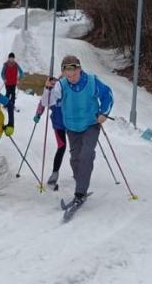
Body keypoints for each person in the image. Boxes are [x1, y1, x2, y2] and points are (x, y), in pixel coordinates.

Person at [44, 54, 114, 208]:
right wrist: (47, 88)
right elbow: (47, 102)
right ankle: (81, 181)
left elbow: (107, 95)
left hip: (91, 124)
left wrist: (104, 113)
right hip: (71, 127)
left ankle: (80, 192)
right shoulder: (61, 85)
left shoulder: (92, 81)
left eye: (74, 74)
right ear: (63, 73)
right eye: (68, 75)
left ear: (79, 69)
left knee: (86, 155)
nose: (71, 78)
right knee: (75, 159)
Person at [32, 77, 66, 190]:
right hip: (58, 124)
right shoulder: (51, 92)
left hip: (72, 124)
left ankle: (78, 171)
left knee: (76, 148)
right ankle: (54, 176)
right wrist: (38, 114)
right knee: (62, 147)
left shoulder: (68, 90)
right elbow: (43, 102)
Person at [0, 52, 23, 129]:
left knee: (13, 94)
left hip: (13, 82)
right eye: (10, 58)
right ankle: (5, 104)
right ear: (8, 58)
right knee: (8, 93)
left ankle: (12, 105)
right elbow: (2, 73)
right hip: (7, 83)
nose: (11, 59)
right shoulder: (6, 65)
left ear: (14, 58)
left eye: (12, 58)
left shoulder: (16, 65)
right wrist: (4, 79)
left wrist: (19, 79)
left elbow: (21, 72)